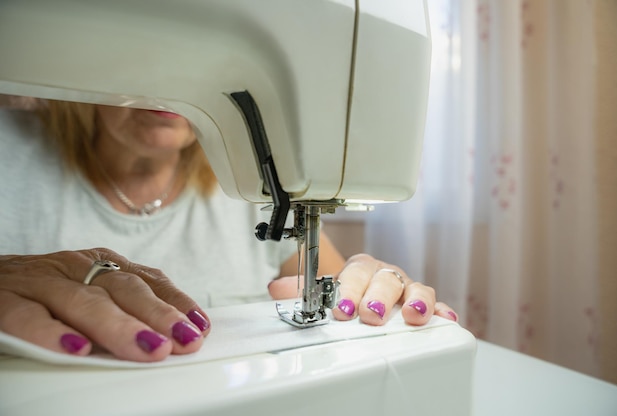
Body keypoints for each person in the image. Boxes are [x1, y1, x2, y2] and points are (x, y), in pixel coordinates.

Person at [0, 98, 458, 363]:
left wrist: (373, 285)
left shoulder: (247, 180)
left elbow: (336, 288)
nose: (174, 82)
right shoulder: (9, 152)